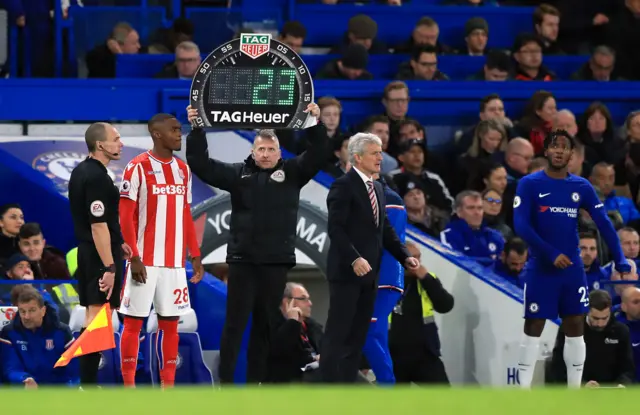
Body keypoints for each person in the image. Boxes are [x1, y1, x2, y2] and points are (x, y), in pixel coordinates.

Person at [185, 103, 326, 384]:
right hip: (242, 262)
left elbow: (319, 154)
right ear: (252, 151)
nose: (265, 154)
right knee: (234, 326)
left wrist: (314, 123)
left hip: (275, 262)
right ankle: (225, 386)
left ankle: (255, 386)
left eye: (270, 149)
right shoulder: (238, 175)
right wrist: (198, 129)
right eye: (260, 149)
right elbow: (201, 165)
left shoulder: (294, 173)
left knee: (264, 327)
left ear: (278, 152)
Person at [513, 129, 630, 389]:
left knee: (576, 322)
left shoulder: (581, 186)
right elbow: (521, 226)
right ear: (546, 151)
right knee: (534, 324)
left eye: (564, 147)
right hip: (541, 268)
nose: (559, 151)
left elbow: (605, 224)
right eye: (554, 146)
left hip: (572, 269)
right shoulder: (530, 183)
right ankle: (521, 392)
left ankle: (574, 391)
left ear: (571, 154)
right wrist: (550, 253)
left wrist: (620, 256)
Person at [320, 132, 419, 383]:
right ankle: (327, 387)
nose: (380, 158)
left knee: (359, 333)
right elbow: (336, 228)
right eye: (375, 153)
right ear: (357, 157)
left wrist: (404, 256)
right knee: (338, 331)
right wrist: (354, 258)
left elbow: (383, 229)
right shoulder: (342, 185)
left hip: (370, 275)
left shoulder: (377, 188)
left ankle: (347, 387)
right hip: (347, 272)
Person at [118, 113, 204, 389]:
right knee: (133, 324)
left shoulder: (183, 169)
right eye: (175, 130)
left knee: (171, 325)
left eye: (180, 130)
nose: (180, 134)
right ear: (157, 134)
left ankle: (168, 388)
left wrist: (195, 254)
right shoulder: (137, 167)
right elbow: (125, 216)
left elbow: (186, 214)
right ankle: (129, 388)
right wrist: (135, 257)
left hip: (174, 264)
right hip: (145, 260)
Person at [67, 122, 132, 388]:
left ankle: (88, 383)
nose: (121, 143)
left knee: (98, 315)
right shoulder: (95, 177)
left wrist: (119, 244)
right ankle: (87, 385)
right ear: (100, 144)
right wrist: (109, 266)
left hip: (100, 251)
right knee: (95, 316)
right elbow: (97, 225)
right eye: (116, 139)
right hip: (97, 256)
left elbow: (104, 223)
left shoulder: (84, 170)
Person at [362, 174, 407, 385]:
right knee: (378, 334)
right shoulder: (388, 198)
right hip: (384, 277)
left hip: (384, 276)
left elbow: (384, 237)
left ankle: (386, 385)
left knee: (368, 332)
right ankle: (386, 384)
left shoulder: (388, 199)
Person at [550, 290, 634, 388]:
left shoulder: (621, 331)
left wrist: (622, 383)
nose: (600, 324)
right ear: (587, 311)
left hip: (612, 393)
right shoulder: (570, 329)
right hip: (577, 391)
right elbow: (558, 366)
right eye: (595, 318)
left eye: (604, 318)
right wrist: (581, 384)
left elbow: (627, 368)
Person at [0, 287, 79, 388]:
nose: (26, 316)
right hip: (25, 391)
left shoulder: (62, 331)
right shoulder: (9, 333)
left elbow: (75, 369)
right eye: (22, 311)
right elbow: (10, 368)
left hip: (58, 391)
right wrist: (24, 379)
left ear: (43, 310)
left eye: (32, 310)